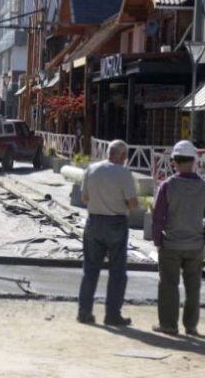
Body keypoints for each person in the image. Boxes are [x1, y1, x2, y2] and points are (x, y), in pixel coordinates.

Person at [152, 140, 205, 336]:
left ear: (174, 162)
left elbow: (158, 217)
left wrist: (158, 240)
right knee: (193, 287)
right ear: (194, 161)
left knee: (169, 285)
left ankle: (169, 325)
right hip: (195, 245)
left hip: (171, 244)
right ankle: (191, 326)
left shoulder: (167, 186)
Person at [77, 140, 138, 326]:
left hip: (93, 222)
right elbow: (132, 203)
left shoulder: (92, 169)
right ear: (121, 156)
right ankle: (112, 314)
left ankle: (84, 312)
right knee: (117, 272)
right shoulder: (124, 173)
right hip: (116, 224)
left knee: (90, 271)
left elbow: (84, 198)